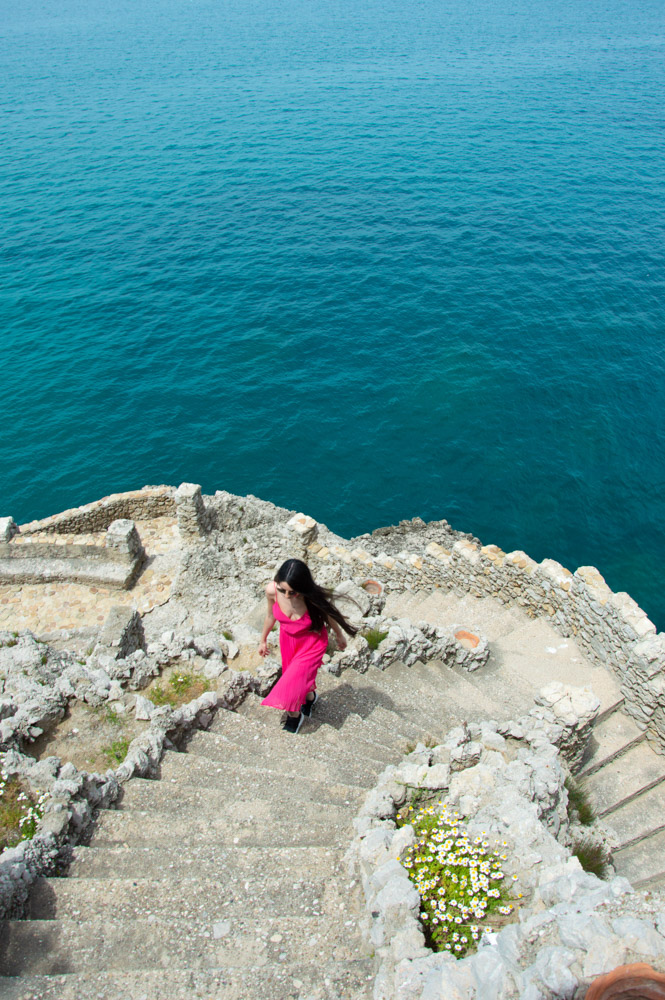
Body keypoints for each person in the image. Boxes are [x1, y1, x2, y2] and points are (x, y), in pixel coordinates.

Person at [258, 558, 358, 733]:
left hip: (311, 643)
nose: (287, 596)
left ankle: (294, 716)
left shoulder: (311, 598)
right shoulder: (271, 591)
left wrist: (340, 635)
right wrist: (263, 639)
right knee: (297, 678)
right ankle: (310, 698)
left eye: (293, 592)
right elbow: (270, 616)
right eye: (283, 590)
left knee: (288, 685)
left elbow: (329, 615)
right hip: (288, 641)